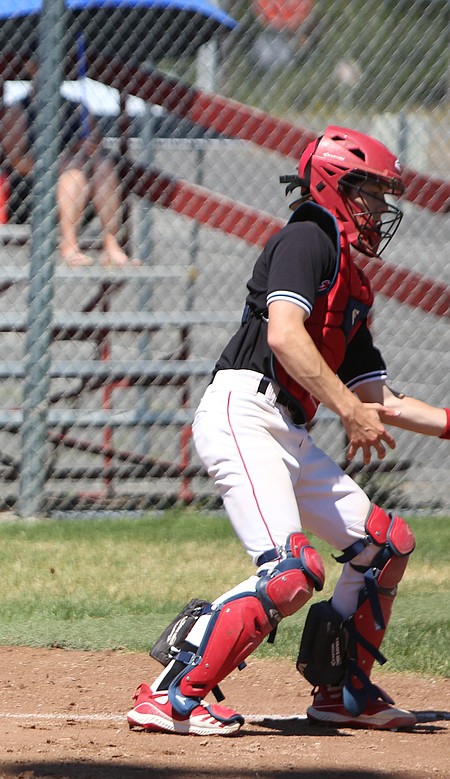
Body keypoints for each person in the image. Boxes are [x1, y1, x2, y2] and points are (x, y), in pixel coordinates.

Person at [125, 126, 446, 736]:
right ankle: (173, 693)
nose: (380, 210)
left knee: (385, 546)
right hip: (244, 411)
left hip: (286, 429)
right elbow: (283, 335)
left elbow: (380, 400)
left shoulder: (352, 285)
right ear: (334, 184)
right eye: (371, 194)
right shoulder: (307, 237)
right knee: (291, 571)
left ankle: (341, 691)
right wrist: (347, 410)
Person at [0, 81, 135, 268]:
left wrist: (90, 149)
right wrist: (61, 162)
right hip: (31, 195)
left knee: (103, 165)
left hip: (83, 198)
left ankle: (111, 244)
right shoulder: (19, 110)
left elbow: (96, 147)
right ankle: (69, 245)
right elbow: (16, 162)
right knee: (73, 168)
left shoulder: (77, 108)